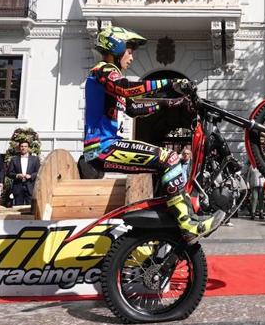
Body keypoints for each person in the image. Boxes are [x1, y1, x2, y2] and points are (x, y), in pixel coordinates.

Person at [82, 25, 224, 243]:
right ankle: (187, 224)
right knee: (170, 158)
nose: (131, 57)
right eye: (129, 51)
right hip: (103, 148)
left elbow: (133, 108)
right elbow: (126, 88)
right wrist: (168, 81)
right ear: (116, 47)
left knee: (167, 162)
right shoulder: (103, 71)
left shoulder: (111, 80)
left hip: (109, 147)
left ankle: (171, 220)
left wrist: (168, 104)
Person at [7, 140, 41, 206]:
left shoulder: (35, 159)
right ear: (19, 148)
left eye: (25, 146)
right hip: (18, 187)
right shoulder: (14, 159)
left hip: (30, 187)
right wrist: (17, 175)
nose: (23, 148)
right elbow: (9, 173)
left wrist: (31, 176)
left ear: (28, 148)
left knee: (31, 208)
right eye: (22, 146)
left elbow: (39, 172)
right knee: (18, 208)